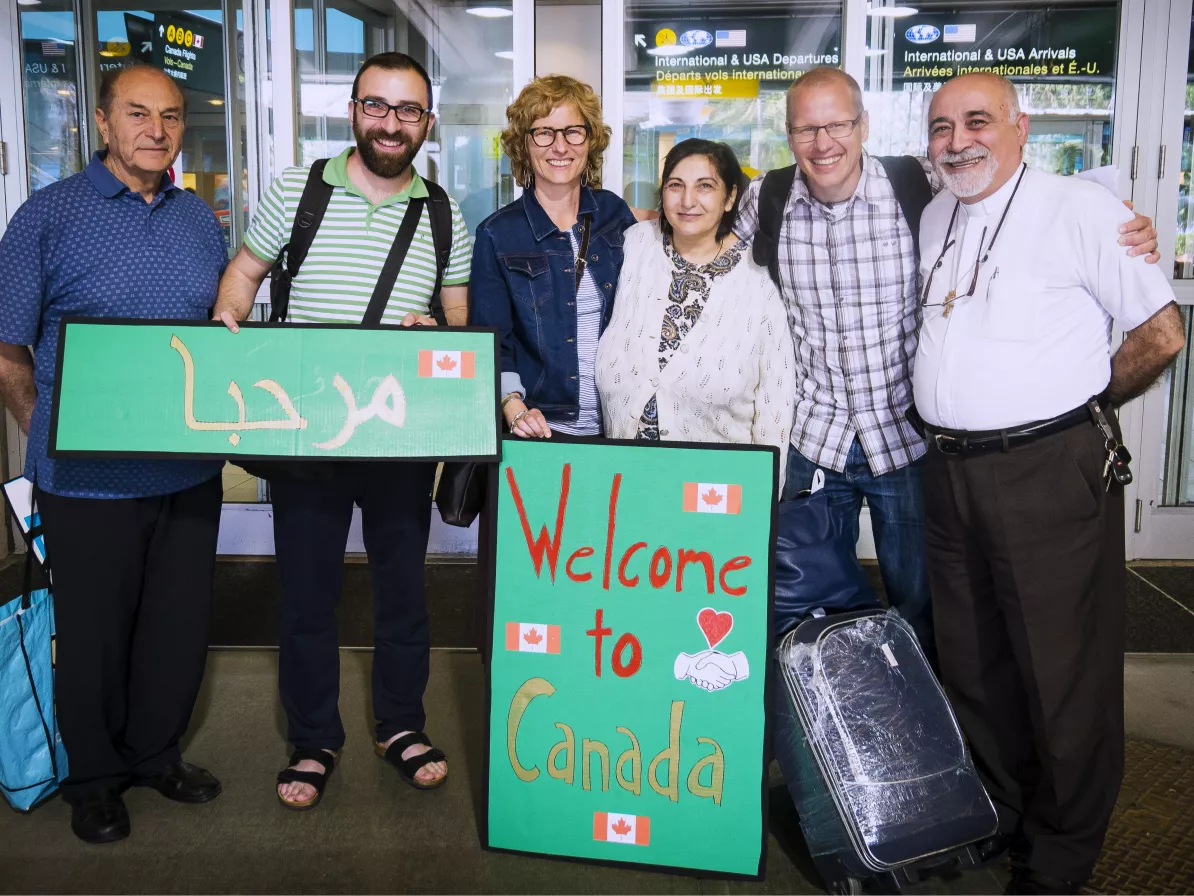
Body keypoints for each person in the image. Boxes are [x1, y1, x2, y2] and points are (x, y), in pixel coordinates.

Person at [734, 67, 1159, 666]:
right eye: (806, 129)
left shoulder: (921, 181)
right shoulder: (767, 199)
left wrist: (1117, 220)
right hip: (811, 441)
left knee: (925, 608)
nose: (822, 143)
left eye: (837, 125)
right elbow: (698, 240)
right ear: (788, 134)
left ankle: (926, 743)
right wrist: (645, 231)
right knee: (801, 607)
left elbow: (1016, 187)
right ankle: (820, 741)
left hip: (905, 441)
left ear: (863, 126)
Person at [915, 73, 1184, 896]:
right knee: (974, 660)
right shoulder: (934, 212)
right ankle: (1000, 812)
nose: (958, 139)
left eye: (978, 121)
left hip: (1048, 470)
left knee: (1061, 671)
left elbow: (1162, 333)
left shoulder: (1083, 210)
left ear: (1021, 127)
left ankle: (1063, 853)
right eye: (941, 126)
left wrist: (1083, 403)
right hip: (950, 469)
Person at [213, 52, 470, 808]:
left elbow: (459, 319)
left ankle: (401, 723)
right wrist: (225, 325)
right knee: (307, 595)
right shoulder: (298, 188)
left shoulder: (444, 211)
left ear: (427, 121)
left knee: (403, 593)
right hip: (305, 434)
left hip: (396, 437)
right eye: (377, 106)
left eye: (408, 110)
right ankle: (314, 737)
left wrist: (441, 337)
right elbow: (245, 274)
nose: (391, 123)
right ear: (353, 110)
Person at [0, 64, 226, 844]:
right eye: (137, 113)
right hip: (85, 479)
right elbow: (9, 351)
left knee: (176, 625)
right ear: (102, 122)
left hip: (189, 470)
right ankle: (95, 779)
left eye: (168, 116)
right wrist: (44, 437)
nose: (155, 131)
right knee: (94, 633)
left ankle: (156, 754)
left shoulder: (201, 220)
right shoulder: (46, 217)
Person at [596, 139, 795, 482]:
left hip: (714, 495)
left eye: (705, 186)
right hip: (623, 481)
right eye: (676, 186)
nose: (688, 201)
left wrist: (762, 503)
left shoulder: (758, 279)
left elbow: (775, 408)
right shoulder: (634, 245)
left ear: (730, 197)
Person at [470, 75, 638, 438]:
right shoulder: (497, 233)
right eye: (544, 132)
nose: (560, 146)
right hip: (541, 428)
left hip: (620, 426)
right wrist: (513, 407)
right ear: (524, 145)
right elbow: (491, 340)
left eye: (572, 131)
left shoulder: (615, 215)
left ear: (589, 140)